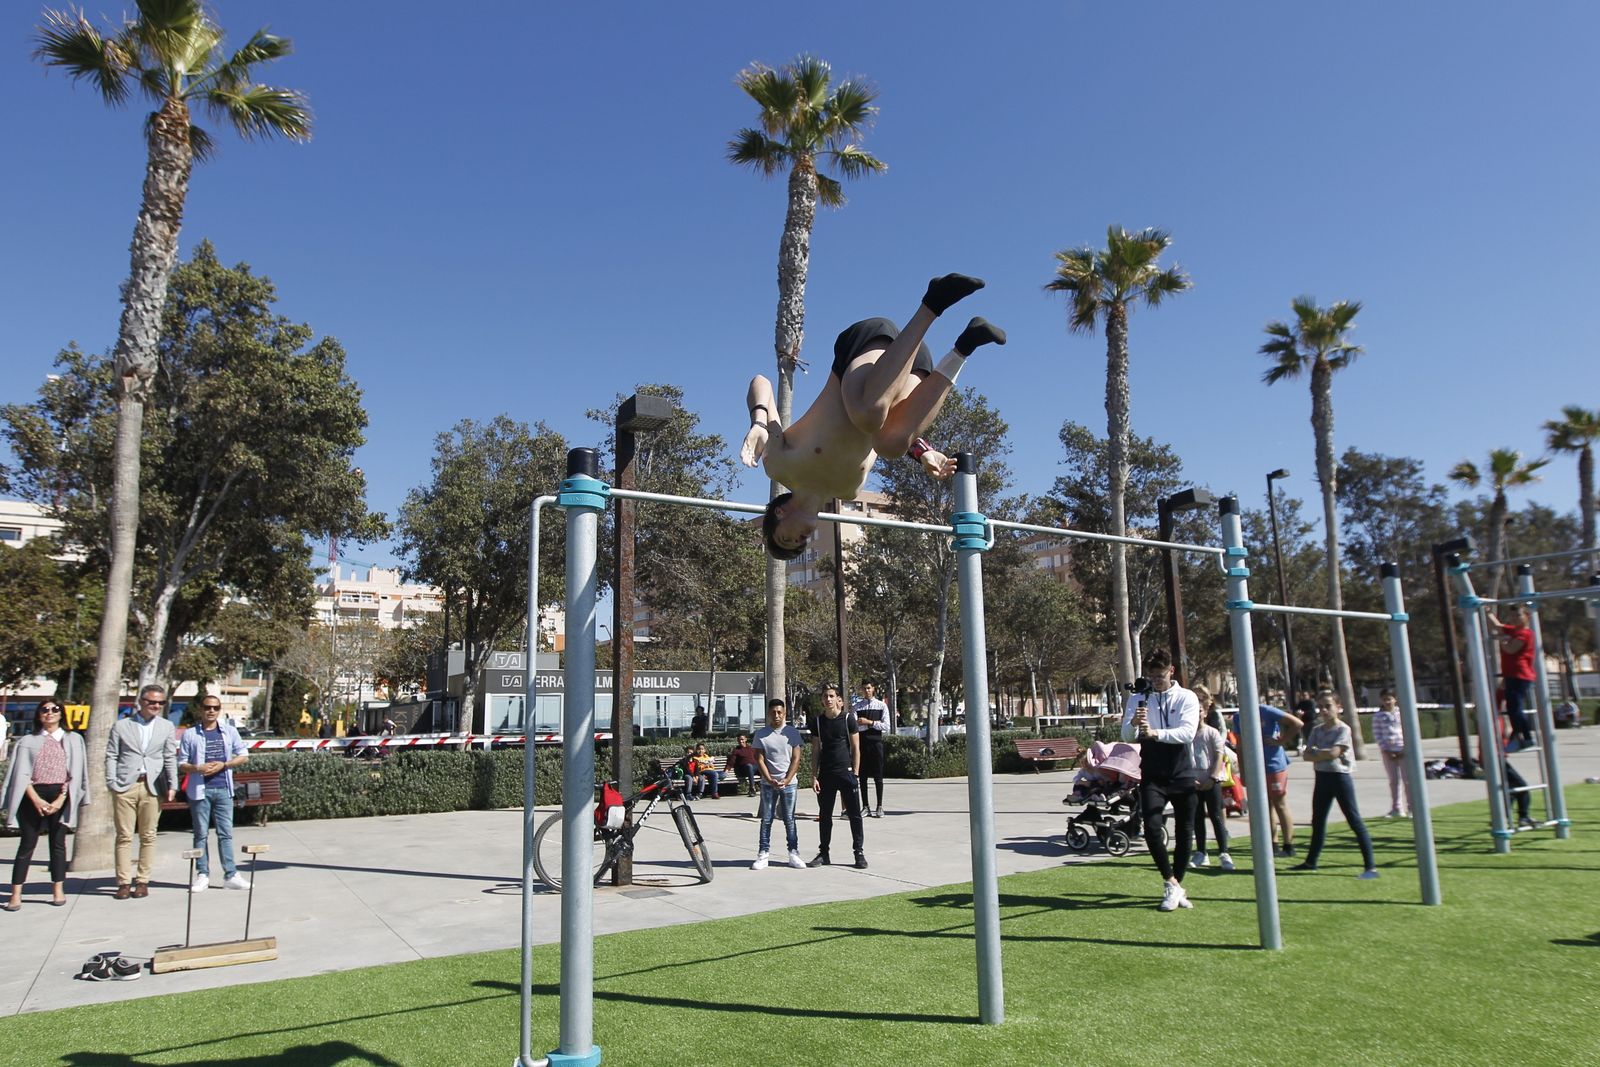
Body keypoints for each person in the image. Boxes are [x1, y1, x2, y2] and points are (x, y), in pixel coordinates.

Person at [741, 273, 1006, 559]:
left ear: (779, 512)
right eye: (800, 545)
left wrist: (758, 421)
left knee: (867, 414)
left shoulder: (780, 466)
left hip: (864, 347)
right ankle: (966, 345)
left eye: (786, 538)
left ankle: (934, 301)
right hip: (907, 362)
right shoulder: (849, 490)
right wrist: (922, 452)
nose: (800, 541)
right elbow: (884, 429)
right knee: (891, 445)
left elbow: (761, 382)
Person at [1120, 648, 1201, 911]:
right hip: (1152, 772)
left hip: (1182, 771)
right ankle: (1170, 882)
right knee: (1153, 827)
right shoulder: (1139, 697)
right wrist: (1134, 722)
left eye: (1160, 676)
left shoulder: (1187, 697)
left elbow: (1188, 733)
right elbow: (1127, 736)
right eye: (1151, 676)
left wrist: (1155, 732)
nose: (1155, 681)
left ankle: (1177, 884)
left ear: (1171, 672)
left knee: (1185, 832)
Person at [3, 701, 88, 910]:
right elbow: (21, 774)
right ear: (39, 715)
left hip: (61, 794)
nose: (50, 713)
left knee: (58, 845)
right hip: (33, 794)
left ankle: (58, 888)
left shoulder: (74, 740)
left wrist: (61, 799)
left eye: (55, 710)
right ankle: (16, 894)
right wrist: (36, 799)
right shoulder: (27, 741)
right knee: (27, 845)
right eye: (45, 710)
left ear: (62, 714)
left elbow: (76, 774)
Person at [105, 684, 179, 900]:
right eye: (152, 701)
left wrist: (173, 785)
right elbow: (112, 755)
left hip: (152, 786)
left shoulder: (166, 727)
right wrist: (112, 782)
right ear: (141, 702)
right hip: (126, 785)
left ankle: (143, 881)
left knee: (148, 836)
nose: (156, 705)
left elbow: (169, 757)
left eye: (160, 703)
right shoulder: (121, 726)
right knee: (124, 836)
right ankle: (123, 882)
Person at [1295, 690, 1379, 878]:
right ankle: (1311, 862)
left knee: (1354, 819)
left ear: (1338, 707)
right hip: (1322, 776)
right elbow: (1307, 755)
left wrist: (1319, 753)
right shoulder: (1317, 730)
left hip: (1340, 777)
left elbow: (1334, 753)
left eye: (1328, 706)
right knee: (1317, 821)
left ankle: (1370, 866)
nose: (1324, 710)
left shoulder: (1343, 729)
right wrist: (1320, 753)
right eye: (1321, 706)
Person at [177, 696, 251, 893]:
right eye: (207, 707)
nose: (211, 711)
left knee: (225, 833)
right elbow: (181, 763)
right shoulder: (190, 734)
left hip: (224, 789)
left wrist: (225, 764)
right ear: (201, 709)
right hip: (200, 790)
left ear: (219, 710)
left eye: (215, 708)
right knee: (200, 833)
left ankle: (231, 874)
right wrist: (196, 768)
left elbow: (243, 755)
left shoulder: (229, 731)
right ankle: (203, 874)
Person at [1232, 699, 1305, 857]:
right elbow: (1240, 745)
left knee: (1280, 803)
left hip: (1274, 766)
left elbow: (1297, 723)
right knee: (1265, 806)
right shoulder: (1238, 717)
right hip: (1255, 768)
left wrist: (1282, 741)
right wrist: (1243, 772)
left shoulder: (1266, 711)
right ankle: (1273, 844)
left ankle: (1289, 845)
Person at [809, 684, 867, 869]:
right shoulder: (818, 722)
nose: (828, 699)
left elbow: (856, 747)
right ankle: (824, 853)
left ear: (838, 699)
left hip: (846, 773)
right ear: (822, 700)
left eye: (831, 696)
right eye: (825, 696)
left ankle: (859, 853)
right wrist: (813, 775)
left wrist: (856, 773)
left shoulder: (849, 719)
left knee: (854, 815)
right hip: (826, 775)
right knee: (825, 816)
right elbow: (816, 749)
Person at [750, 699, 807, 871]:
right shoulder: (761, 734)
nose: (776, 715)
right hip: (769, 784)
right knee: (767, 819)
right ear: (768, 713)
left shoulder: (792, 733)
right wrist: (768, 779)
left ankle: (793, 853)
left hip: (789, 784)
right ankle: (763, 853)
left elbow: (796, 758)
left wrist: (787, 779)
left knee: (789, 819)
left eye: (779, 712)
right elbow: (759, 758)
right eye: (773, 712)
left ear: (785, 713)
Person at [1187, 686, 1233, 872]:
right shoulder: (1186, 735)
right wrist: (1191, 780)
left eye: (1199, 711)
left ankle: (1224, 852)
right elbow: (1184, 759)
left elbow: (1219, 756)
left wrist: (1212, 778)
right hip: (1193, 783)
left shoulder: (1212, 733)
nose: (1196, 715)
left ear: (1205, 712)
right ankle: (1201, 853)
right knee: (1197, 817)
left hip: (1211, 781)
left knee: (1216, 816)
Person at [1486, 605, 1537, 750]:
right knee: (1512, 707)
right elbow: (1496, 625)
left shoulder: (1525, 633)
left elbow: (1511, 649)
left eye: (1518, 616)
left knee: (1515, 708)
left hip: (1520, 674)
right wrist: (1488, 612)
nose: (1514, 619)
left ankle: (1525, 737)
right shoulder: (1514, 630)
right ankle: (1519, 736)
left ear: (1527, 617)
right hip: (1511, 674)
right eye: (1512, 616)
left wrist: (1503, 640)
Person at [853, 680, 890, 817]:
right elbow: (855, 726)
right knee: (862, 776)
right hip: (862, 744)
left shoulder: (881, 706)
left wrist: (869, 723)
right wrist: (872, 724)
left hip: (876, 744)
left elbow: (886, 726)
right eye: (864, 688)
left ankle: (879, 806)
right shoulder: (857, 707)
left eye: (868, 688)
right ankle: (865, 806)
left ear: (873, 689)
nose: (866, 691)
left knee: (878, 776)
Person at [1372, 689, 1411, 818]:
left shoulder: (1402, 713)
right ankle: (1397, 808)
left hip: (1403, 751)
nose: (1387, 702)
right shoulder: (1378, 716)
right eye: (1384, 699)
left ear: (1395, 699)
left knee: (1408, 780)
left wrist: (1405, 748)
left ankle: (1411, 807)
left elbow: (1408, 731)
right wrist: (1386, 750)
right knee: (1394, 781)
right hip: (1388, 752)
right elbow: (1378, 734)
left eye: (1389, 699)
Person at [728, 733, 761, 797]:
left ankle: (768, 787)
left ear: (746, 739)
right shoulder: (736, 750)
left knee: (762, 768)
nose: (741, 741)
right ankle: (752, 788)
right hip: (742, 770)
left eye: (742, 739)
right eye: (739, 740)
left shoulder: (751, 748)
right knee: (749, 766)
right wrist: (727, 770)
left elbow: (757, 758)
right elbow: (731, 762)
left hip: (753, 768)